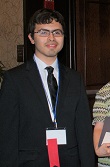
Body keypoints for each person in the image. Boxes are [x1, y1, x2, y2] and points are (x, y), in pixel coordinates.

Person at [0, 8, 95, 166]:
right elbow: (7, 136)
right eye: (43, 32)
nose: (52, 38)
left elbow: (84, 132)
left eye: (57, 32)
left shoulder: (75, 78)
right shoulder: (14, 80)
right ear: (31, 37)